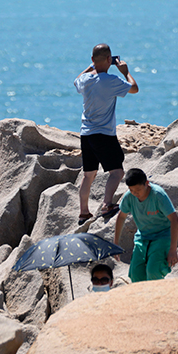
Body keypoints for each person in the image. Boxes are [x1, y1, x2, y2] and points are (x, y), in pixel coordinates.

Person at [74, 43, 139, 225]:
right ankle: (107, 204)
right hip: (104, 134)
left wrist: (91, 67)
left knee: (88, 175)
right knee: (117, 172)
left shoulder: (86, 80)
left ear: (93, 60)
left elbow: (76, 80)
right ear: (110, 60)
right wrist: (125, 71)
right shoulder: (111, 81)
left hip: (86, 134)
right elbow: (134, 88)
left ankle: (83, 212)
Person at [113, 168, 178, 282]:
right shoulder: (129, 196)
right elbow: (121, 217)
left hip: (162, 236)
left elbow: (174, 219)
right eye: (131, 190)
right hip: (143, 237)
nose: (135, 193)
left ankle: (158, 299)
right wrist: (116, 243)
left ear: (147, 183)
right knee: (135, 274)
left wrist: (173, 250)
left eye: (138, 189)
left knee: (153, 271)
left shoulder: (158, 195)